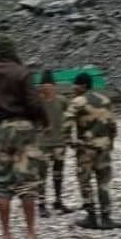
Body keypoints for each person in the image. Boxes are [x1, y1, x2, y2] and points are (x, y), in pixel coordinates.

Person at [0, 38, 48, 239]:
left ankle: (6, 236)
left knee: (2, 183)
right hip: (24, 128)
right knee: (27, 181)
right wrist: (44, 122)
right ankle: (31, 234)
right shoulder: (22, 72)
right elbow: (34, 103)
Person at [64, 72, 120, 230]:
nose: (73, 88)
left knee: (85, 182)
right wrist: (111, 143)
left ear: (83, 85)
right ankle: (106, 217)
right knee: (103, 183)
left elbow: (66, 122)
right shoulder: (105, 100)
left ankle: (91, 217)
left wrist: (69, 141)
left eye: (75, 84)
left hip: (86, 148)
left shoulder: (78, 101)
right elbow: (112, 124)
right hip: (104, 147)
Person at [37, 71, 72, 217]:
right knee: (49, 175)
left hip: (52, 143)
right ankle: (48, 203)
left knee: (51, 174)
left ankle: (50, 202)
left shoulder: (59, 101)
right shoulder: (39, 102)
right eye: (46, 86)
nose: (48, 88)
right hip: (49, 143)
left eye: (50, 85)